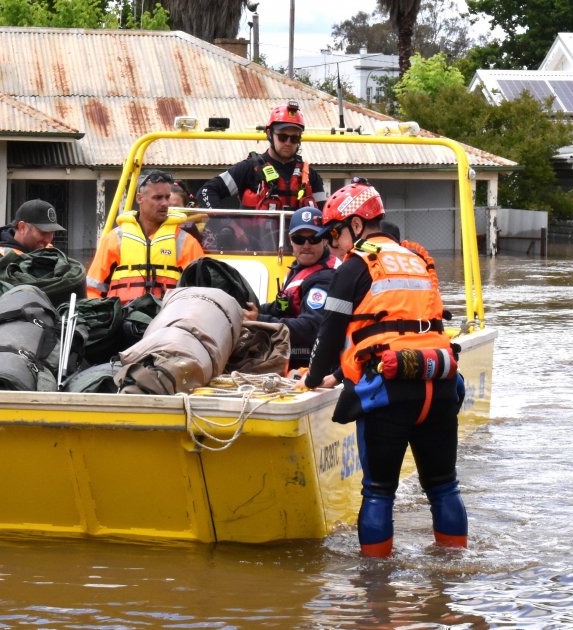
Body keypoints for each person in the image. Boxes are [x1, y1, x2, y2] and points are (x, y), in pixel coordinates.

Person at [303, 180, 467, 558]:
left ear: (356, 226)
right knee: (444, 487)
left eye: (334, 233)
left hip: (390, 390)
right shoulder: (417, 260)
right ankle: (454, 572)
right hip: (438, 382)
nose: (332, 244)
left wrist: (312, 379)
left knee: (378, 491)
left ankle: (375, 590)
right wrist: (340, 375)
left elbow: (329, 334)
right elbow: (403, 328)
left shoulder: (355, 266)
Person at [86, 169, 204, 304]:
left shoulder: (187, 243)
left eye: (167, 197)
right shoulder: (114, 239)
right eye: (158, 197)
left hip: (167, 320)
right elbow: (93, 290)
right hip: (122, 319)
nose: (165, 203)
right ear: (139, 198)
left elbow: (200, 294)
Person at [243, 207, 339, 369]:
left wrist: (259, 321)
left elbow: (310, 329)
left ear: (324, 239)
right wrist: (253, 309)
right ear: (290, 240)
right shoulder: (298, 268)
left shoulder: (326, 278)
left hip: (310, 360)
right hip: (291, 352)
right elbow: (282, 307)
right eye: (299, 239)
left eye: (314, 238)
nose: (306, 245)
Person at [196, 100, 327, 213]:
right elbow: (206, 192)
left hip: (298, 242)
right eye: (282, 137)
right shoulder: (248, 169)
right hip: (254, 242)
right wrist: (223, 223)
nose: (288, 142)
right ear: (269, 133)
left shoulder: (310, 176)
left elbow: (323, 214)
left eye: (294, 138)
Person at [0, 199, 66, 279]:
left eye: (52, 233)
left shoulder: (52, 254)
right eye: (43, 232)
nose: (48, 239)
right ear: (22, 227)